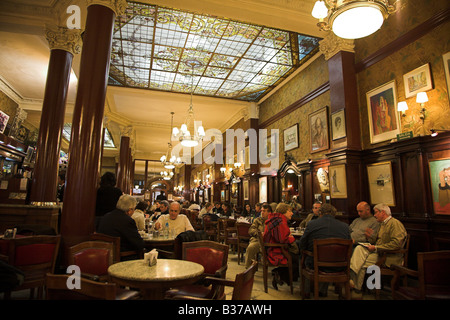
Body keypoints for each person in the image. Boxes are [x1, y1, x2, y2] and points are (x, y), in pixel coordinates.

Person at [349, 203, 407, 298]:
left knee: (361, 263)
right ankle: (355, 285)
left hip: (389, 257)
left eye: (376, 213)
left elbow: (397, 244)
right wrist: (369, 237)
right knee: (359, 248)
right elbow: (375, 241)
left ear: (383, 213)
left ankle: (355, 285)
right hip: (380, 253)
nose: (374, 215)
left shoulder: (395, 223)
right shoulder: (382, 224)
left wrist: (376, 248)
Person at [299, 203, 351, 297]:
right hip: (339, 265)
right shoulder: (345, 227)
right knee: (327, 256)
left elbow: (303, 244)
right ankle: (322, 291)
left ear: (320, 213)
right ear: (334, 213)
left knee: (306, 257)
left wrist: (305, 250)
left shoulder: (312, 224)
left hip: (316, 265)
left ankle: (306, 291)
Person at [263, 203, 299, 290]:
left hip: (271, 249)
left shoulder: (275, 219)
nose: (292, 213)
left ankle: (280, 275)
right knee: (299, 258)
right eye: (289, 211)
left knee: (296, 256)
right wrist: (291, 238)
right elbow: (282, 240)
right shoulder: (280, 221)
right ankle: (280, 275)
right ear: (283, 212)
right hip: (275, 251)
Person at [97, 194, 144, 260]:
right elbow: (139, 244)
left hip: (103, 255)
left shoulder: (106, 216)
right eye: (134, 209)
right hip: (122, 257)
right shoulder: (127, 221)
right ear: (130, 210)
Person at [244, 204, 272, 268]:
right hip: (257, 240)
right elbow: (251, 230)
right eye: (261, 211)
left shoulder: (272, 221)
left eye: (264, 211)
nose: (262, 212)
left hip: (268, 241)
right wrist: (258, 233)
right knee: (250, 248)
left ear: (269, 212)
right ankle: (248, 269)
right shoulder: (257, 220)